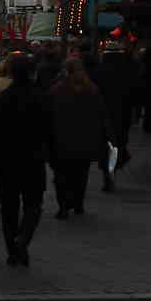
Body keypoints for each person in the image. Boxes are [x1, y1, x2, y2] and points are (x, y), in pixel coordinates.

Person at [0, 52, 49, 266]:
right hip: (33, 160)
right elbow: (49, 129)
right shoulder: (40, 97)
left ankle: (13, 250)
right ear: (31, 73)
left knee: (8, 207)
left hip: (6, 161)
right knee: (34, 203)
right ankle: (23, 238)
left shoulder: (3, 98)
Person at [48, 57, 111, 219]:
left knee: (62, 175)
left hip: (62, 140)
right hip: (86, 139)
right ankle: (78, 203)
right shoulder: (92, 90)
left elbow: (49, 115)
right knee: (81, 174)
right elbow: (101, 115)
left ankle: (63, 206)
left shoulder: (57, 90)